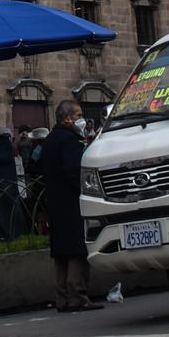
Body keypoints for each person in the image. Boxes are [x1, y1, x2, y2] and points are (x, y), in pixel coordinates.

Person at [37, 101, 98, 311]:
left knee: (61, 252)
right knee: (76, 250)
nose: (82, 119)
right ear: (68, 118)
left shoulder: (50, 140)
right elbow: (75, 171)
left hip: (55, 201)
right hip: (71, 201)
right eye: (79, 115)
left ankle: (62, 298)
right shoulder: (69, 140)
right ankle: (77, 296)